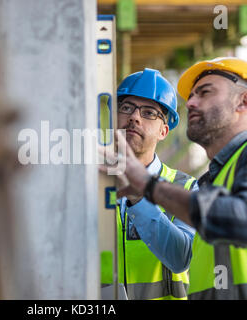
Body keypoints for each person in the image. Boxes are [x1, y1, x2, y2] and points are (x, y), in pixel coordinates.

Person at [102, 58, 247, 300]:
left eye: (205, 93)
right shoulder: (214, 181)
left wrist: (147, 187)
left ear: (243, 102)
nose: (191, 102)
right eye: (191, 96)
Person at [101, 68, 198, 300]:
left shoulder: (186, 189)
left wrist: (138, 197)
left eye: (149, 113)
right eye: (126, 108)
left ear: (164, 130)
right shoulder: (90, 182)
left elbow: (179, 257)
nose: (134, 117)